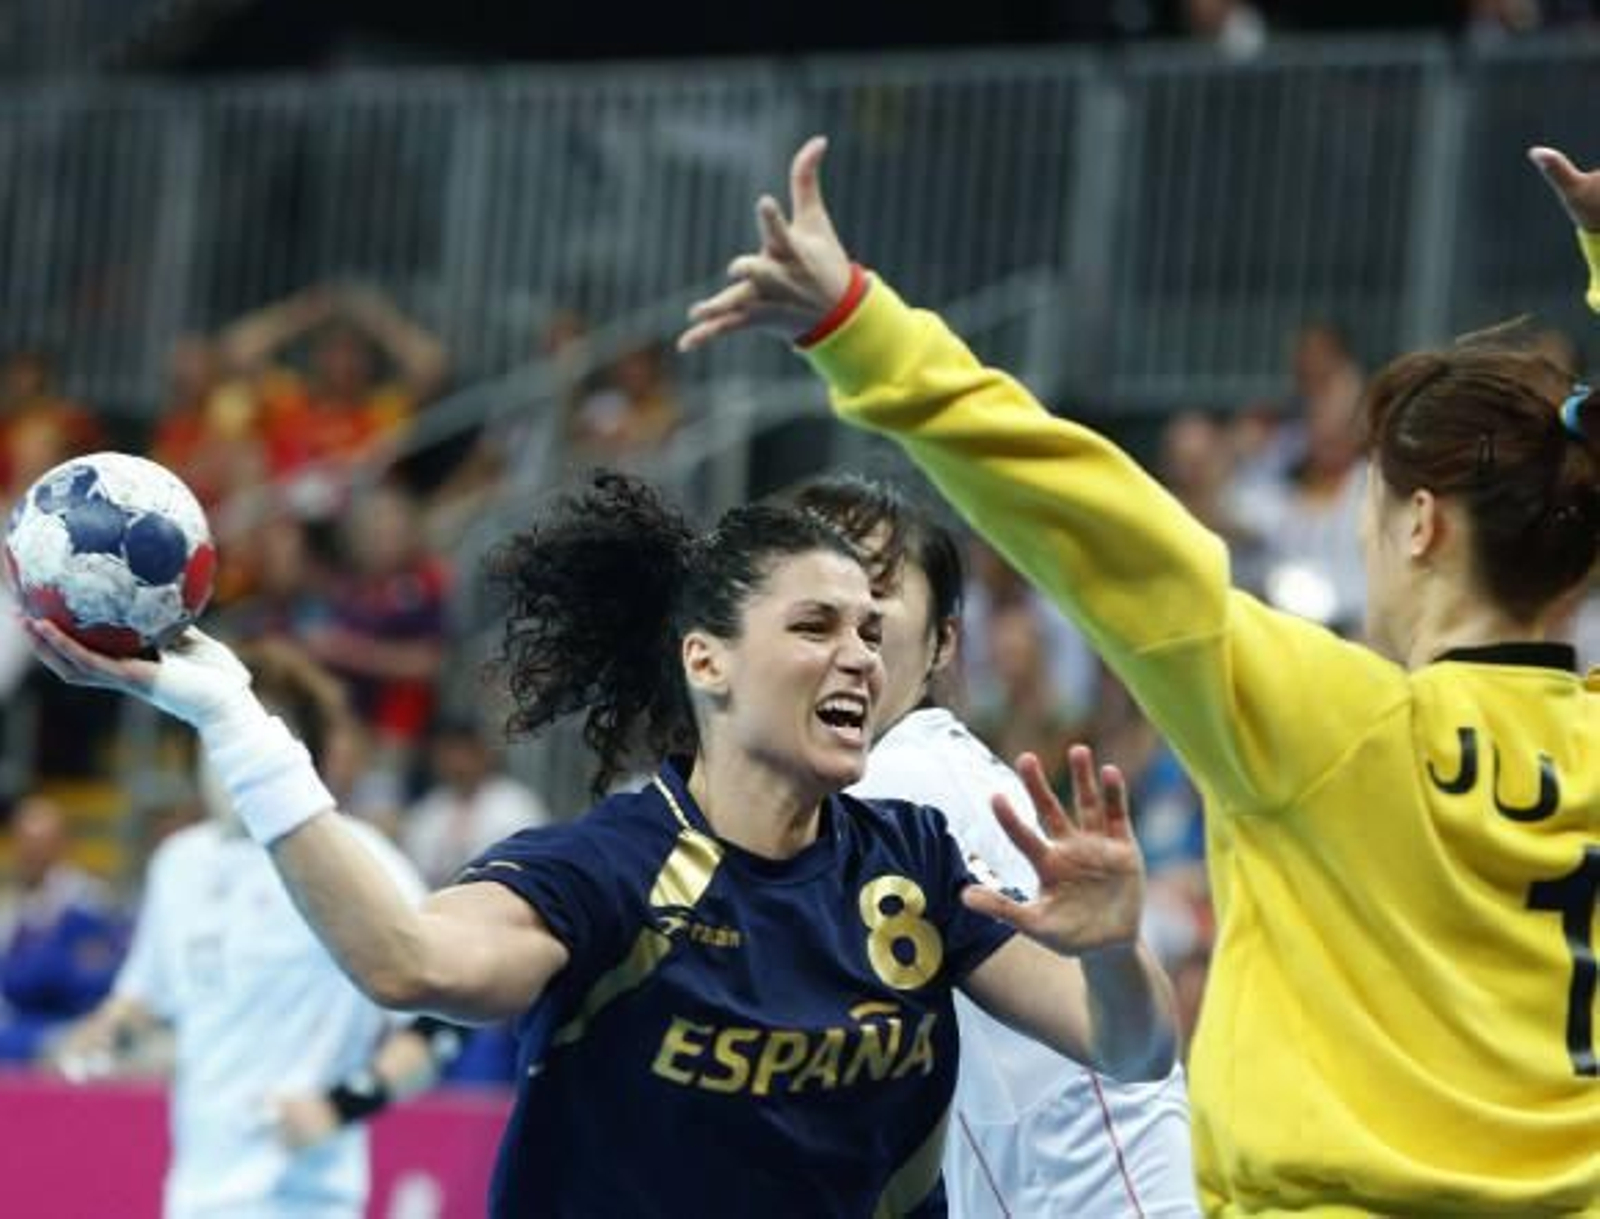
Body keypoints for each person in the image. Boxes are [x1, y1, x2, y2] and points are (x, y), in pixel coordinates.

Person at [677, 137, 1600, 1213]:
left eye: (1369, 505)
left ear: (1422, 526)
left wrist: (858, 329)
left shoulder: (1330, 724)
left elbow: (1092, 518)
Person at [25, 471, 1177, 1218]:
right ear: (706, 661)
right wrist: (232, 718)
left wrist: (1114, 950)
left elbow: (1130, 1050)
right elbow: (408, 964)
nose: (859, 658)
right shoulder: (614, 870)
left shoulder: (914, 861)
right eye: (817, 625)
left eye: (874, 632)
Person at [796, 473, 1201, 1217]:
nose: (848, 634)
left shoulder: (902, 779)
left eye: (875, 598)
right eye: (817, 600)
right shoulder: (867, 779)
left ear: (944, 640)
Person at [53, 642, 450, 1219]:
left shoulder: (357, 859)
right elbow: (144, 997)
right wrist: (105, 1033)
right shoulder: (179, 863)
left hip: (305, 1197)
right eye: (209, 731)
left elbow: (439, 1026)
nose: (220, 754)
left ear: (293, 753)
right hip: (194, 1193)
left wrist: (339, 1107)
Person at [0, 795, 127, 1062]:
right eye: (25, 842)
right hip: (14, 1028)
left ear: (62, 845)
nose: (31, 853)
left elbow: (93, 981)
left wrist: (41, 966)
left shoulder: (90, 901)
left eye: (41, 844)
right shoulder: (9, 902)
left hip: (68, 1027)